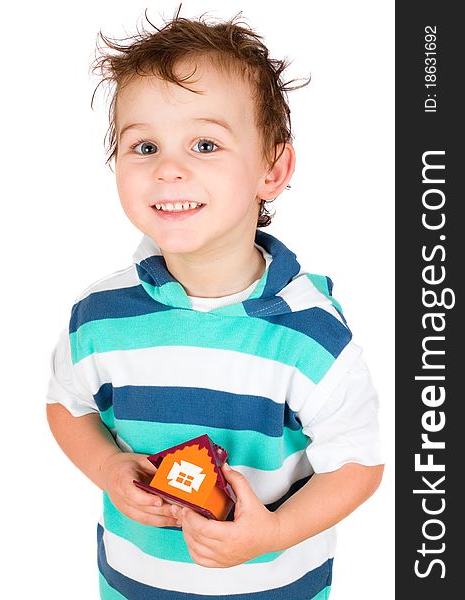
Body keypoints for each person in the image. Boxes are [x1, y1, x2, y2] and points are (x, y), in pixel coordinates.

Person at [46, 9, 384, 600]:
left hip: (275, 588)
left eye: (205, 144)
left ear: (271, 169)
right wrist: (105, 468)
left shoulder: (308, 334)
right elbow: (67, 407)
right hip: (133, 583)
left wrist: (273, 531)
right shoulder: (100, 316)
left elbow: (358, 465)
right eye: (144, 146)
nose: (169, 169)